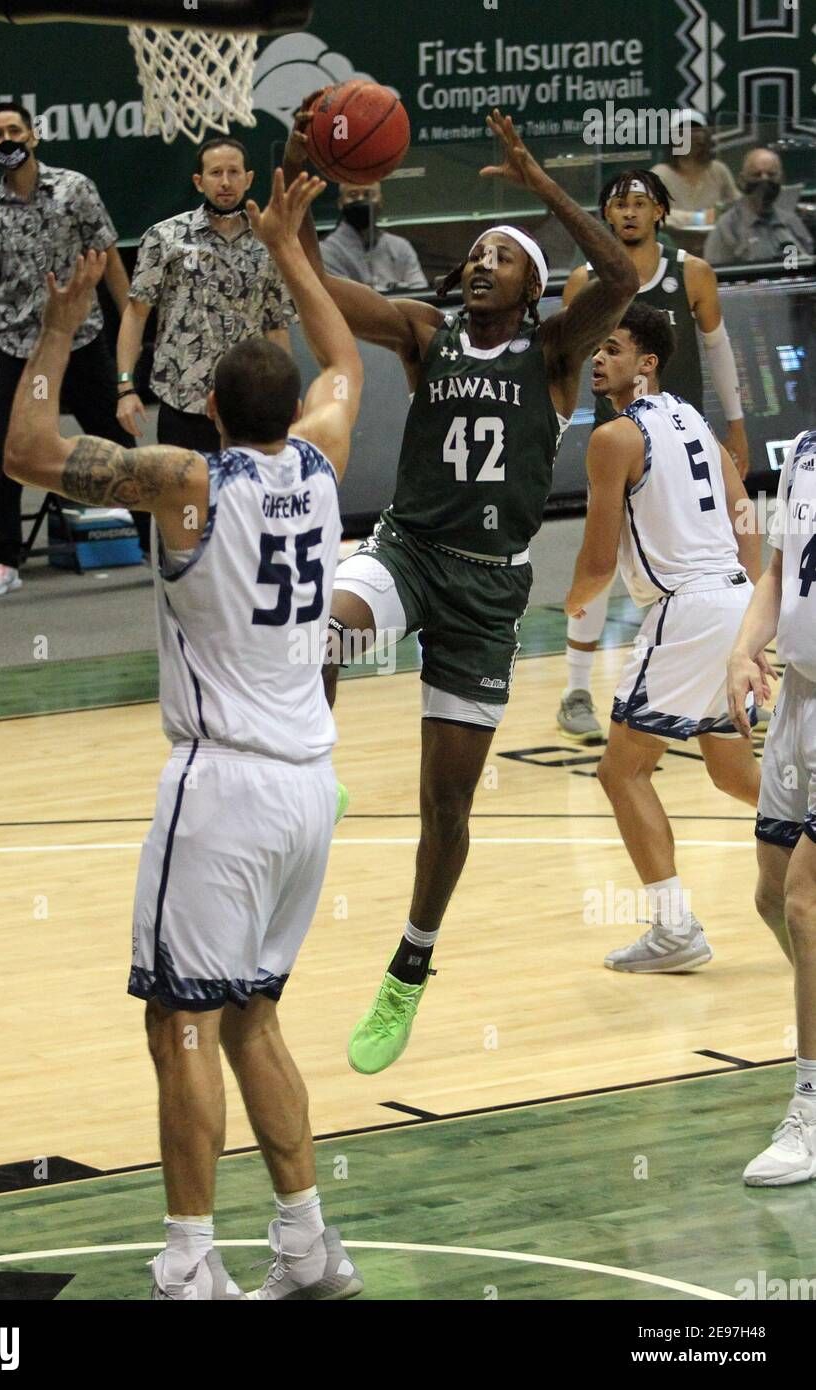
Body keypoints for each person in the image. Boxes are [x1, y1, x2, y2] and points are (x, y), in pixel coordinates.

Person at [2, 169, 366, 1299]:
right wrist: (290, 248)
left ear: (209, 412)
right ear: (290, 402)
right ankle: (308, 1248)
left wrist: (61, 333)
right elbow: (348, 361)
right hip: (311, 784)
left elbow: (27, 451)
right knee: (253, 1014)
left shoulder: (184, 483)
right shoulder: (322, 459)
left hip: (223, 791)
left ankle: (188, 1265)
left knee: (184, 1025)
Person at [283, 103, 638, 1073]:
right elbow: (314, 274)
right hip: (407, 553)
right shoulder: (422, 331)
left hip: (486, 594)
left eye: (504, 255)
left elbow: (623, 277)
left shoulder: (557, 355)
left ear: (529, 287)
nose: (483, 261)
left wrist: (541, 187)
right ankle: (317, 775)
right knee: (322, 634)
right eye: (475, 251)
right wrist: (297, 166)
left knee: (449, 805)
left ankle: (408, 968)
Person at [565, 302, 760, 971]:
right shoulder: (697, 424)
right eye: (596, 349)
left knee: (620, 770)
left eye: (612, 349)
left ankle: (675, 930)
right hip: (732, 600)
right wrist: (754, 620)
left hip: (686, 611)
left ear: (646, 364)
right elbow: (745, 518)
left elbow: (595, 563)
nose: (598, 358)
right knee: (736, 775)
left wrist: (565, 604)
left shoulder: (614, 437)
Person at [555, 170, 750, 744]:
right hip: (620, 435)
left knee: (669, 559)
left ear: (661, 212)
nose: (630, 213)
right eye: (619, 205)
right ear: (605, 217)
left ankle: (709, 660)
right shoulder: (584, 281)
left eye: (641, 203)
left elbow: (718, 352)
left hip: (682, 435)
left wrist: (735, 428)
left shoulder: (692, 272)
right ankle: (575, 687)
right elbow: (567, 364)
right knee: (608, 553)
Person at [0, 101, 142, 597]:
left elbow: (111, 259)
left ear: (33, 137)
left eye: (14, 130)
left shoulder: (74, 189)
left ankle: (159, 541)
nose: (6, 140)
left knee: (116, 443)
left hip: (82, 341)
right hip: (20, 347)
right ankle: (3, 561)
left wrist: (131, 325)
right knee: (8, 453)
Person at [727, 427, 816, 1184]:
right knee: (768, 893)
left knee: (805, 904)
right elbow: (779, 577)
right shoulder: (806, 454)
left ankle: (811, 1114)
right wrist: (743, 649)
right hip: (798, 701)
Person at [116, 137, 298, 459]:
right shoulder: (164, 237)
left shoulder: (269, 242)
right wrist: (126, 387)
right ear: (199, 181)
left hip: (250, 404)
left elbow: (276, 326)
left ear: (249, 179)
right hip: (183, 402)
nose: (225, 182)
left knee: (249, 503)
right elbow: (136, 314)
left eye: (233, 172)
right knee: (186, 506)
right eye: (215, 173)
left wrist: (285, 396)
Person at [706, 148, 814, 266]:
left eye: (771, 174)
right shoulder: (727, 227)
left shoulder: (791, 222)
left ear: (781, 179)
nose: (764, 180)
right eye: (756, 174)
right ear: (742, 180)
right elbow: (715, 277)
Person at [320, 182, 428, 292]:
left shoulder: (400, 246)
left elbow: (420, 291)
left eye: (368, 194)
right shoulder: (325, 251)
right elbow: (346, 299)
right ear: (340, 203)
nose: (361, 199)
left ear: (380, 201)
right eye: (353, 195)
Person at [651, 110, 738, 232]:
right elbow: (651, 214)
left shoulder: (718, 170)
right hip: (676, 244)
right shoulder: (660, 174)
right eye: (682, 131)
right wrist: (698, 218)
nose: (690, 136)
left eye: (696, 130)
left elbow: (738, 207)